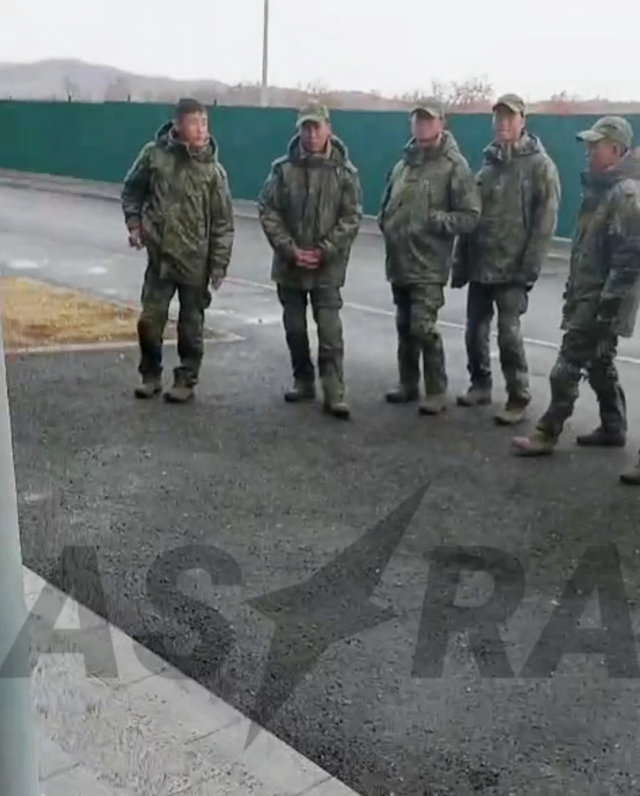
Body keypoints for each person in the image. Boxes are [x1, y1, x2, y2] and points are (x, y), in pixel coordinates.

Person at [512, 116, 640, 458]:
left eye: (596, 146)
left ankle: (546, 432)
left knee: (566, 367)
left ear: (616, 150)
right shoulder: (601, 191)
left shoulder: (624, 195)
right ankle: (613, 426)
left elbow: (628, 260)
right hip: (589, 295)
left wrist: (606, 307)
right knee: (599, 364)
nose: (589, 151)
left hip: (601, 301)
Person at [452, 93, 561, 425]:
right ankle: (480, 384)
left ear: (522, 121)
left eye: (509, 117)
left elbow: (545, 223)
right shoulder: (488, 164)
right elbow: (472, 216)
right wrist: (461, 261)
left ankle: (518, 396)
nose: (503, 123)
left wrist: (529, 268)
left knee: (508, 334)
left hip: (513, 268)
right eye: (498, 117)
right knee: (474, 330)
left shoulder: (540, 166)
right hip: (481, 263)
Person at [121, 97, 234, 403]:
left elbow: (223, 223)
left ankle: (186, 379)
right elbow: (132, 190)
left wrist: (219, 265)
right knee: (149, 322)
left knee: (191, 328)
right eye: (194, 122)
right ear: (178, 124)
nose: (201, 129)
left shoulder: (213, 172)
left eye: (205, 122)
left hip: (195, 263)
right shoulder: (154, 156)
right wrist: (135, 224)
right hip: (160, 259)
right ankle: (150, 375)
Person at [258, 102, 362, 419]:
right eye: (306, 127)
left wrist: (324, 250)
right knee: (295, 329)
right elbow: (268, 210)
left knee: (329, 332)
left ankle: (334, 390)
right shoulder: (282, 170)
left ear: (328, 128)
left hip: (327, 267)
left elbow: (351, 217)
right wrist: (290, 249)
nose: (311, 133)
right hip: (289, 265)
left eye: (317, 127)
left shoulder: (345, 172)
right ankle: (303, 380)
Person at [379, 99, 480, 415]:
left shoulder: (454, 166)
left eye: (428, 120)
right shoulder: (404, 163)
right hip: (399, 260)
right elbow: (387, 202)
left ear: (441, 124)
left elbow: (470, 215)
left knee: (423, 326)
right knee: (404, 325)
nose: (422, 125)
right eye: (417, 120)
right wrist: (387, 223)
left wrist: (438, 221)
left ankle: (436, 389)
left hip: (428, 263)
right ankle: (408, 383)